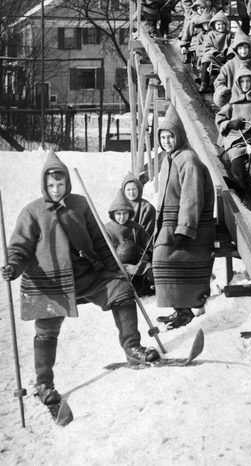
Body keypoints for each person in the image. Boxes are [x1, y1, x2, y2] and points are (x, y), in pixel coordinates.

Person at [1, 151, 160, 408]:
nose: (56, 189)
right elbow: (19, 249)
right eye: (51, 185)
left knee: (121, 290)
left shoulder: (80, 204)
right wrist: (13, 266)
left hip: (87, 275)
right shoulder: (31, 212)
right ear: (44, 184)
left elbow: (100, 241)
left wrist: (114, 268)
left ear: (67, 183)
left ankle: (133, 348)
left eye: (60, 184)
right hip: (51, 283)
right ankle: (44, 383)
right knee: (46, 331)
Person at [153, 105, 216, 330]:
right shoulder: (169, 158)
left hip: (189, 225)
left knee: (164, 257)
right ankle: (181, 309)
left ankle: (185, 310)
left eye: (171, 136)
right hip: (172, 222)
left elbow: (192, 197)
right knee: (160, 259)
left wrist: (185, 229)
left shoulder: (187, 159)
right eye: (163, 137)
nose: (167, 141)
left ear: (179, 137)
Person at [104, 189, 154, 297]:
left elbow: (148, 244)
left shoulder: (135, 227)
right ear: (113, 214)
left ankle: (147, 286)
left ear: (129, 213)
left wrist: (147, 254)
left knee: (149, 270)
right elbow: (103, 250)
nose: (122, 217)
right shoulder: (107, 229)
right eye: (118, 214)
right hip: (118, 265)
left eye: (125, 213)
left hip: (137, 262)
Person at [214, 28, 251, 108]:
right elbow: (219, 82)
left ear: (250, 48)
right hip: (233, 103)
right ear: (235, 49)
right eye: (240, 48)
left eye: (246, 48)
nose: (243, 51)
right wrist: (223, 91)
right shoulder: (229, 66)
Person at [199, 10, 234, 93]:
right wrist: (216, 53)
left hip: (226, 56)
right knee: (206, 58)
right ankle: (204, 83)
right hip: (214, 56)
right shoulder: (210, 34)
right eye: (218, 25)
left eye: (223, 24)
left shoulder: (229, 35)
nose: (221, 26)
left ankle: (231, 83)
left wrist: (229, 54)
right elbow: (207, 46)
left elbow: (233, 45)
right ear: (214, 25)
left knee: (234, 61)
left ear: (226, 25)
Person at [121, 172, 157, 240]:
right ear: (124, 191)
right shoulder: (120, 206)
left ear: (139, 189)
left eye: (134, 189)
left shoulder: (147, 207)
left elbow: (148, 233)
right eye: (128, 190)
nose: (131, 193)